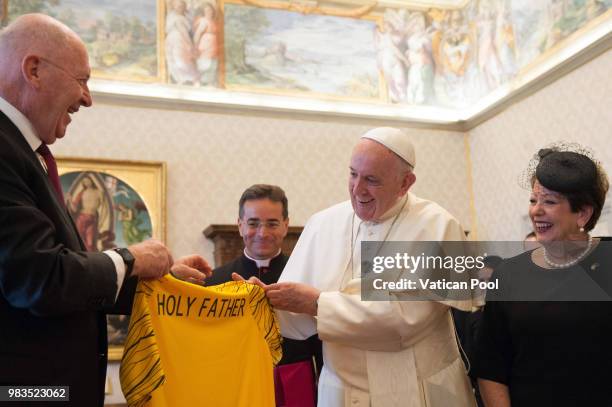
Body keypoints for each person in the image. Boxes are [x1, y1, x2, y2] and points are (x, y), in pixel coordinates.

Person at [0, 14, 210, 406]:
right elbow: (40, 277)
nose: (87, 98)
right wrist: (133, 261)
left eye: (366, 177)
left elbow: (367, 312)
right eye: (82, 80)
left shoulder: (26, 153)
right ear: (33, 69)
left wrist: (158, 280)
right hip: (25, 393)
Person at [238, 128, 477, 406]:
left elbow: (405, 322)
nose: (358, 189)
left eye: (372, 180)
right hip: (342, 393)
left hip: (419, 389)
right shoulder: (322, 223)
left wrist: (317, 304)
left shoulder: (440, 225)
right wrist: (265, 300)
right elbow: (295, 320)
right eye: (353, 174)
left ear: (405, 183)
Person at [475, 143, 612, 407]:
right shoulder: (509, 274)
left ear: (583, 213)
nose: (536, 210)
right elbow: (491, 365)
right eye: (533, 200)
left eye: (549, 201)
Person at [207, 184, 322, 407]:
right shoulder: (213, 281)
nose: (262, 233)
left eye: (272, 224)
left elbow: (322, 343)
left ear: (286, 225)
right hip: (236, 382)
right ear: (240, 225)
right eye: (253, 223)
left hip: (295, 381)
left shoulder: (307, 275)